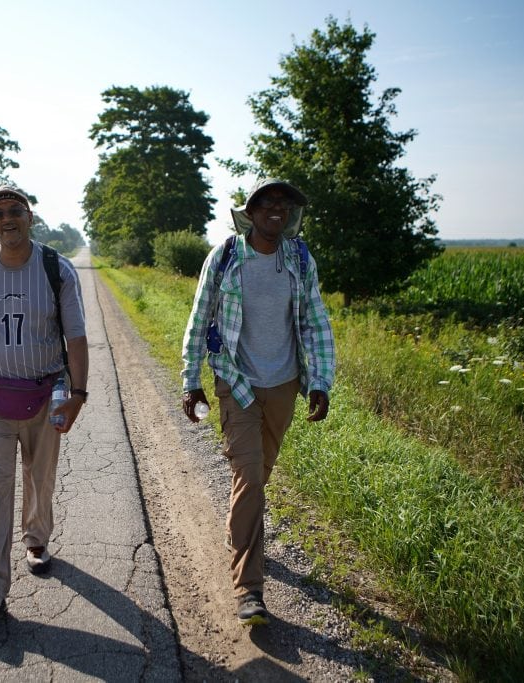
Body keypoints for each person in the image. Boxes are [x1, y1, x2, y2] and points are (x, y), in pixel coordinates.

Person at [180, 177, 335, 626]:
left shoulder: (299, 260)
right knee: (249, 476)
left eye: (284, 206)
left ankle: (240, 531)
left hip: (283, 385)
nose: (276, 212)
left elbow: (314, 322)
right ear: (250, 210)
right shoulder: (226, 257)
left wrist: (320, 383)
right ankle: (250, 588)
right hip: (236, 383)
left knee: (258, 476)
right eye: (267, 203)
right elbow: (199, 317)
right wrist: (191, 381)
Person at [0, 185, 89, 623]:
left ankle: (37, 540)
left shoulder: (56, 270)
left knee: (40, 476)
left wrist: (78, 395)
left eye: (15, 210)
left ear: (30, 217)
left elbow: (78, 338)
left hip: (47, 393)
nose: (7, 218)